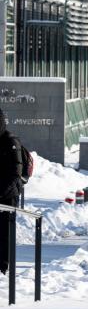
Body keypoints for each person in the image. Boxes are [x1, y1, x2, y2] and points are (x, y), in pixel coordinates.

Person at [0, 108, 23, 276]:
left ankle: (4, 265)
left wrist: (1, 193)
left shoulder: (11, 141)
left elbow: (15, 173)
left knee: (5, 232)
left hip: (8, 196)